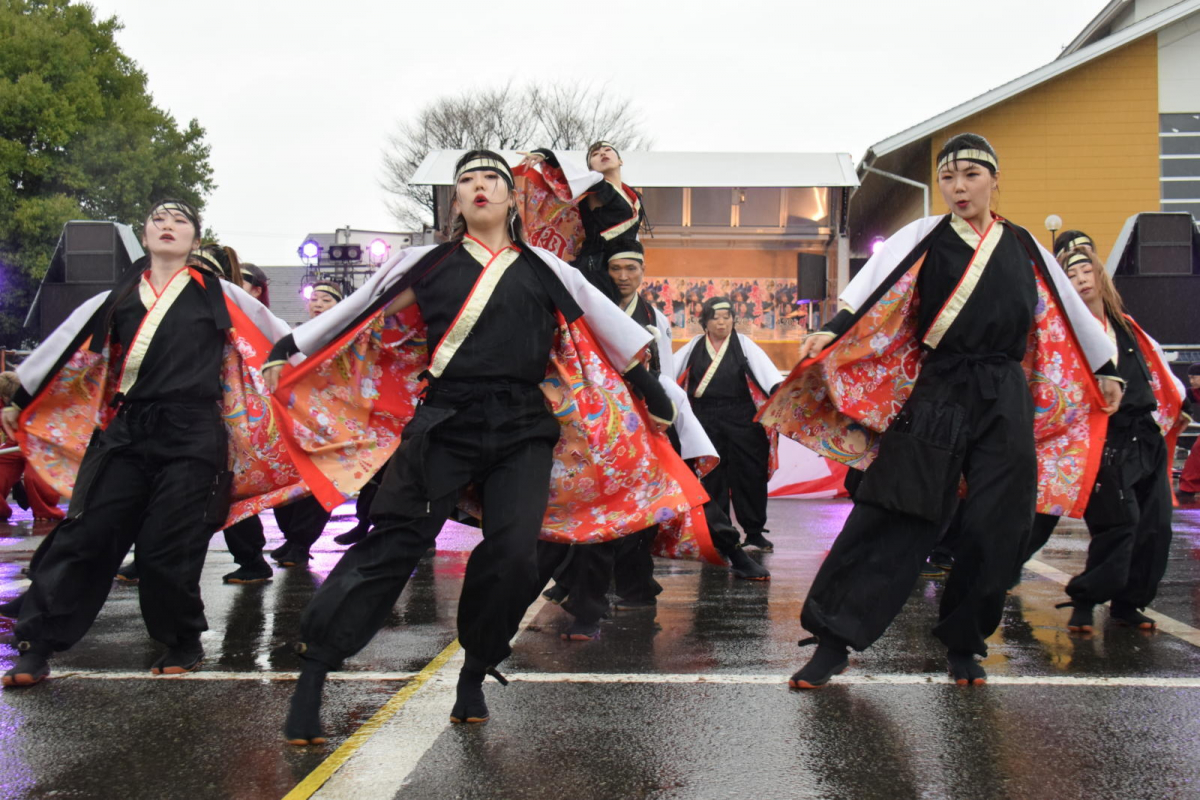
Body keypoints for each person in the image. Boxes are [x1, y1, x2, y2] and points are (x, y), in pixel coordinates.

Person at [265, 150, 700, 744]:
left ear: (510, 197)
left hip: (522, 425)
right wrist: (290, 345)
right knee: (394, 543)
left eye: (490, 177)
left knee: (516, 554)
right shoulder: (426, 262)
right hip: (445, 417)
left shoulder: (546, 266)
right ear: (456, 201)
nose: (478, 186)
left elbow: (607, 327)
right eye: (466, 179)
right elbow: (359, 313)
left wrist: (652, 389)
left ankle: (475, 668)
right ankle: (316, 669)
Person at [759, 134, 1121, 689]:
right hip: (941, 385)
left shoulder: (1025, 246)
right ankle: (832, 641)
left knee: (999, 522)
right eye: (949, 177)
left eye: (972, 175)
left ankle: (964, 644)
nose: (959, 187)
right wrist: (830, 331)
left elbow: (1069, 315)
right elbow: (871, 289)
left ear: (995, 181)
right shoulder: (923, 235)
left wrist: (1105, 368)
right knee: (896, 508)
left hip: (1005, 390)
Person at [1, 200, 293, 687]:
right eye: (159, 219)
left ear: (195, 241)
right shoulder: (117, 295)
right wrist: (19, 397)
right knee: (87, 534)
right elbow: (65, 345)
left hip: (194, 431)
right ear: (144, 234)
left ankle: (182, 639)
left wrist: (289, 365)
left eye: (180, 221)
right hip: (127, 428)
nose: (168, 225)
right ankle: (37, 644)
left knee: (167, 546)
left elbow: (279, 336)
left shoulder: (219, 293)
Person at [1019, 239, 1186, 632]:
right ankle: (1085, 599)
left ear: (1099, 275)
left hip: (1144, 433)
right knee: (1118, 523)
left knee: (1155, 527)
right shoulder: (1068, 334)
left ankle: (1129, 604)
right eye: (1071, 274)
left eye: (1086, 270)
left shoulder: (1127, 326)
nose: (1080, 279)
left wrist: (1179, 404)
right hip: (1103, 437)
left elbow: (1158, 369)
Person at [675, 297, 781, 552]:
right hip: (704, 418)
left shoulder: (745, 345)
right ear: (705, 322)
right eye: (715, 317)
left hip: (743, 417)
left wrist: (781, 393)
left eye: (727, 317)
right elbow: (668, 376)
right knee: (711, 475)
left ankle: (754, 532)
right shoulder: (692, 348)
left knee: (750, 474)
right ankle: (719, 534)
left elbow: (770, 377)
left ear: (734, 319)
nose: (722, 322)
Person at [516, 141, 646, 301]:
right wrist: (547, 155)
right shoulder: (596, 184)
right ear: (591, 169)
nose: (602, 154)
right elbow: (572, 175)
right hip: (596, 268)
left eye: (607, 150)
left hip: (622, 268)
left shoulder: (632, 196)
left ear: (620, 161)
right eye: (595, 154)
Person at [0, 372, 63, 523]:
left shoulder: (39, 400)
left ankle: (45, 512)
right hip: (14, 444)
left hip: (40, 443)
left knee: (34, 477)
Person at [1178, 363, 1200, 504]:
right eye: (1190, 378)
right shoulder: (1193, 392)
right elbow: (1180, 400)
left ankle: (1188, 486)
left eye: (1195, 377)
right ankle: (1188, 487)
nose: (1191, 381)